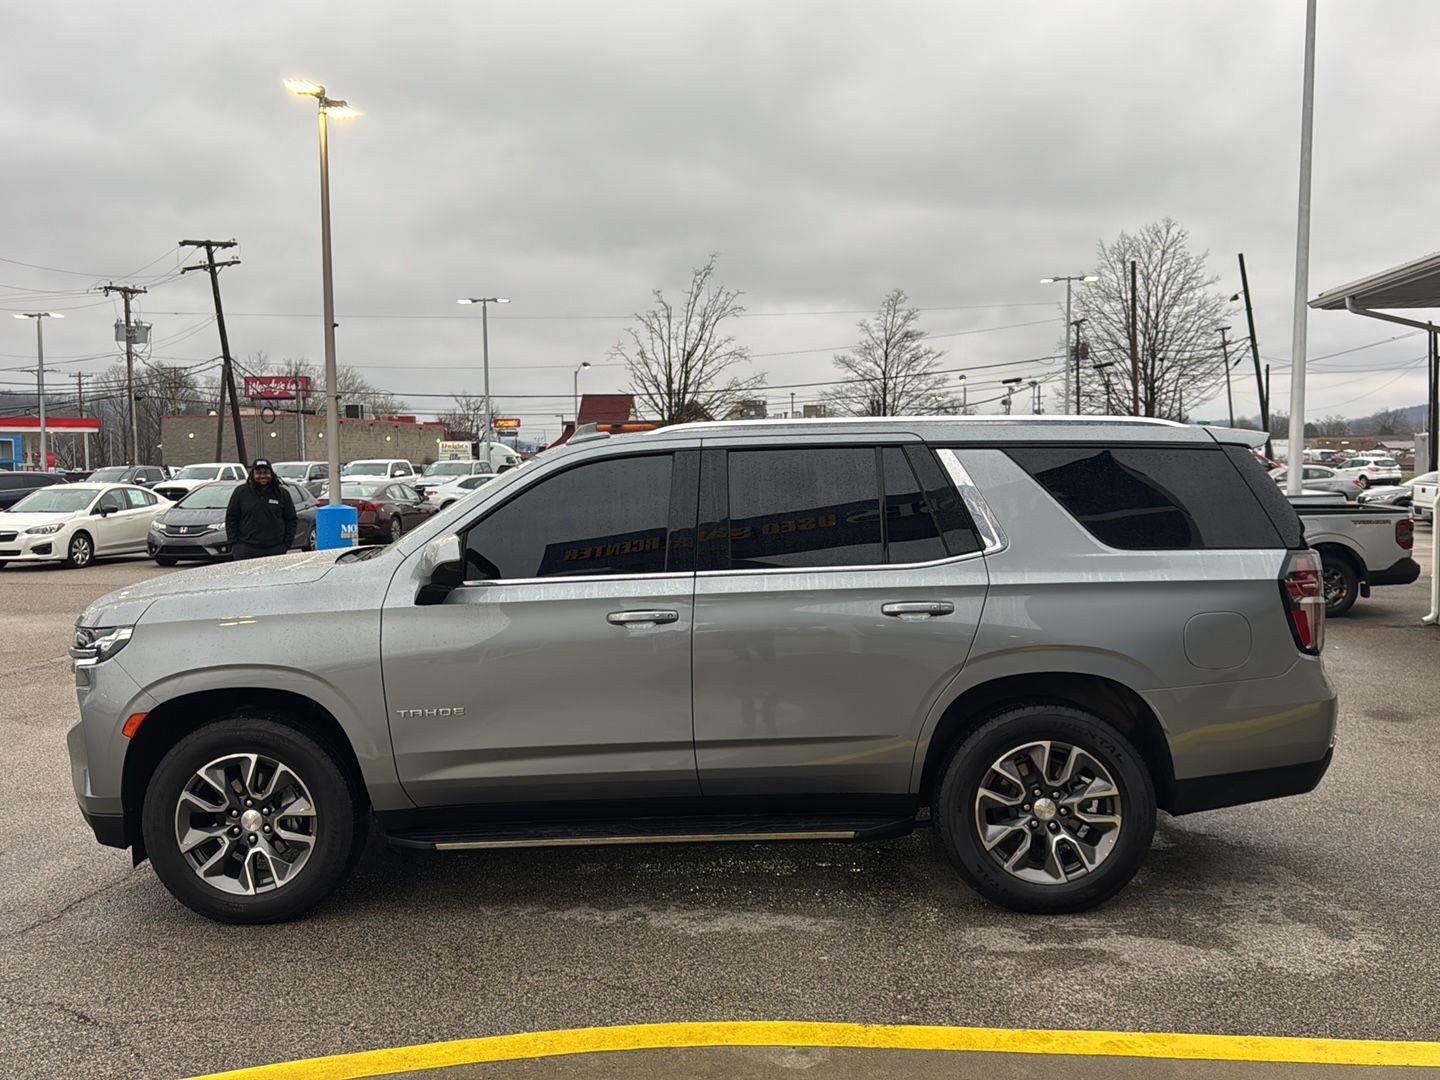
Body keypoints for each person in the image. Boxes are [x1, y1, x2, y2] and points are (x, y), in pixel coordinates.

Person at [225, 458, 297, 561]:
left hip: (275, 549)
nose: (262, 476)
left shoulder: (282, 493)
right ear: (252, 474)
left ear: (271, 474)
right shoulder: (241, 492)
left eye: (266, 472)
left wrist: (286, 544)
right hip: (246, 549)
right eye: (258, 473)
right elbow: (231, 518)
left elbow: (291, 519)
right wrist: (235, 545)